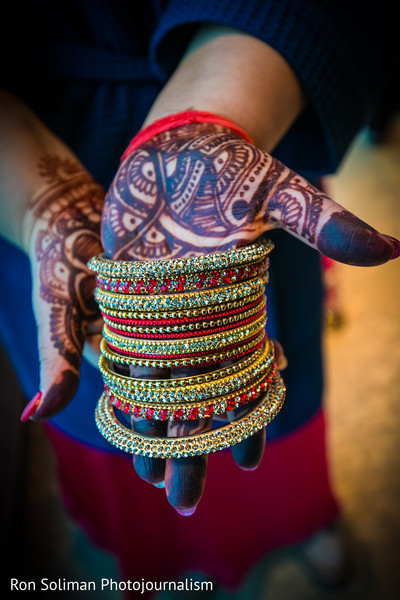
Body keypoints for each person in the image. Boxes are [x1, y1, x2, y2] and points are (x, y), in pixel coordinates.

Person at [1, 1, 399, 596]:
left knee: (267, 407)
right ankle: (158, 556)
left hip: (239, 161)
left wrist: (205, 115)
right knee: (124, 426)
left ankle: (301, 519)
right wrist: (39, 211)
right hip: (27, 199)